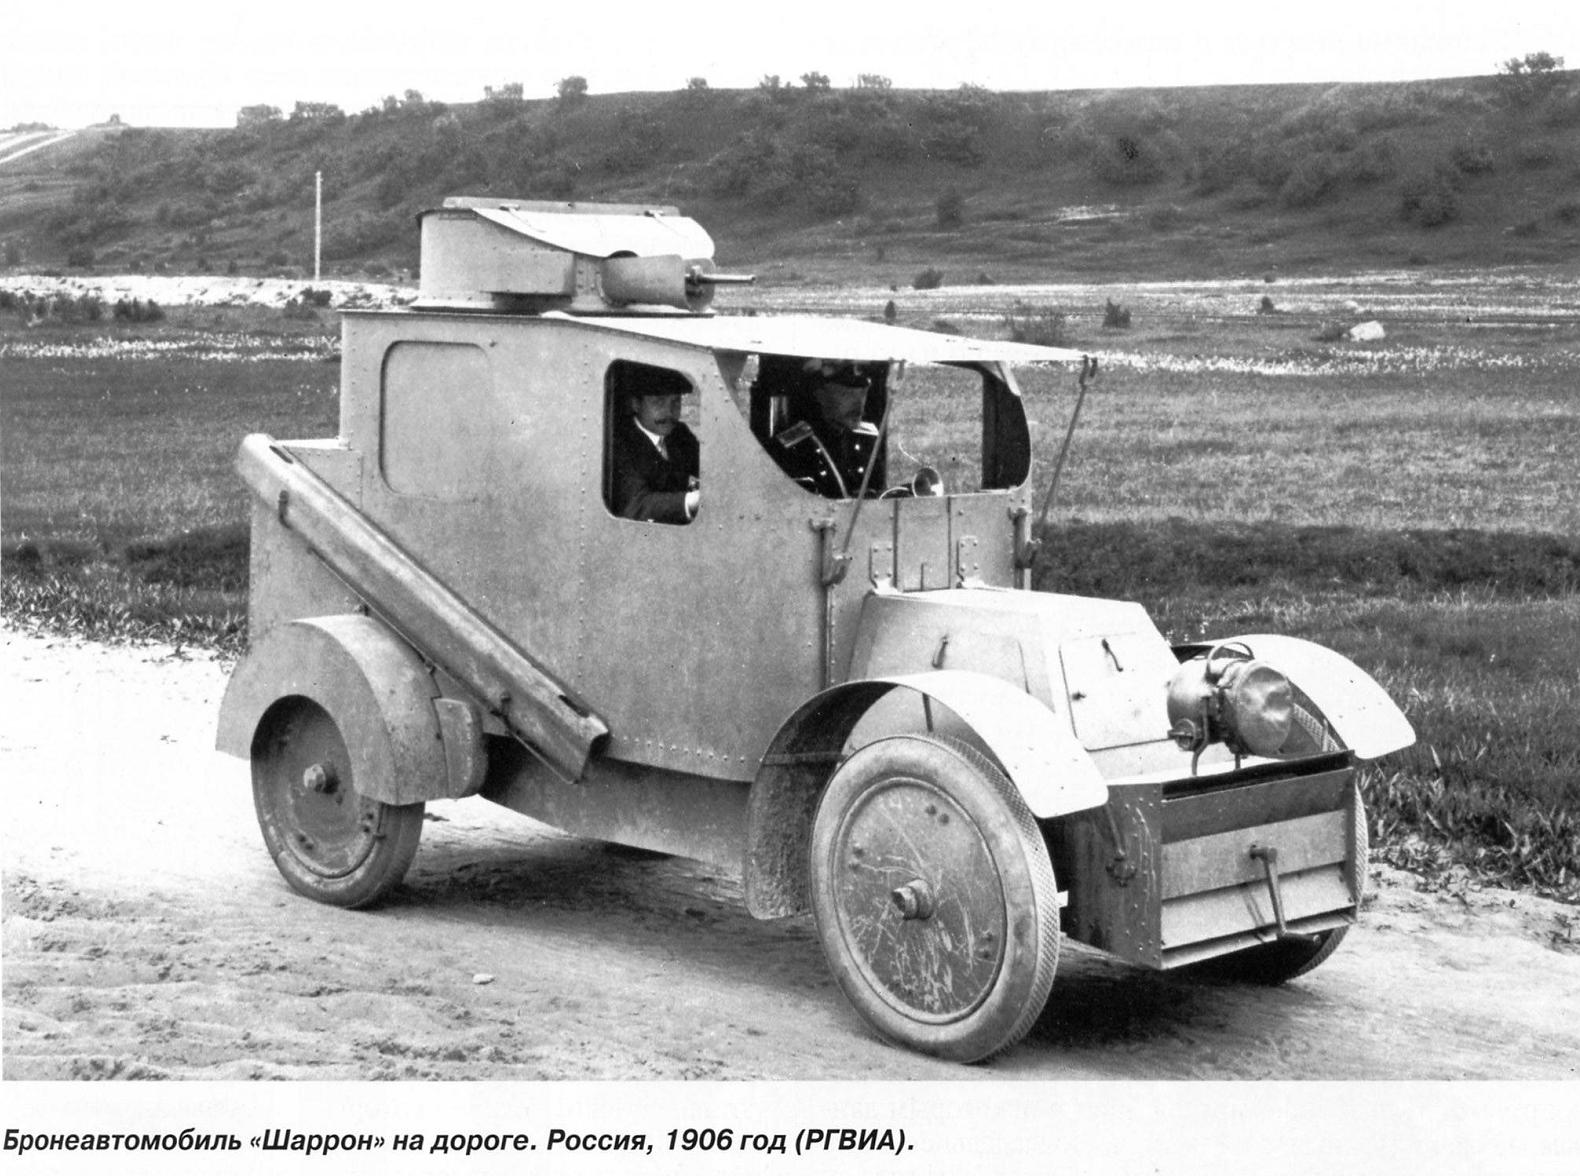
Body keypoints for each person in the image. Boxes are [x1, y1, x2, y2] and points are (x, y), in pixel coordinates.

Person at [772, 360, 885, 498]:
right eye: (845, 394)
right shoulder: (796, 446)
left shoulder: (867, 439)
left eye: (863, 394)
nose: (858, 404)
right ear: (820, 394)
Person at [609, 367, 700, 524]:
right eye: (658, 402)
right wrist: (690, 501)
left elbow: (707, 469)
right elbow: (637, 506)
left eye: (676, 402)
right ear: (636, 404)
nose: (669, 412)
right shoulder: (620, 445)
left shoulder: (679, 434)